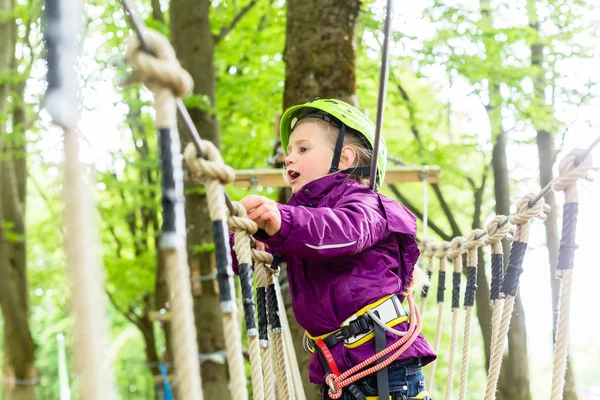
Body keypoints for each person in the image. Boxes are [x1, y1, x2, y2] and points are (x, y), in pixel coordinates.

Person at [239, 98, 436, 400]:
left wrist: (281, 220)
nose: (288, 159)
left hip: (386, 366)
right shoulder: (299, 223)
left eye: (302, 149)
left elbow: (340, 232)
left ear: (344, 158)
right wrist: (244, 235)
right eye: (288, 152)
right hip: (336, 372)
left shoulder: (368, 205)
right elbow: (255, 255)